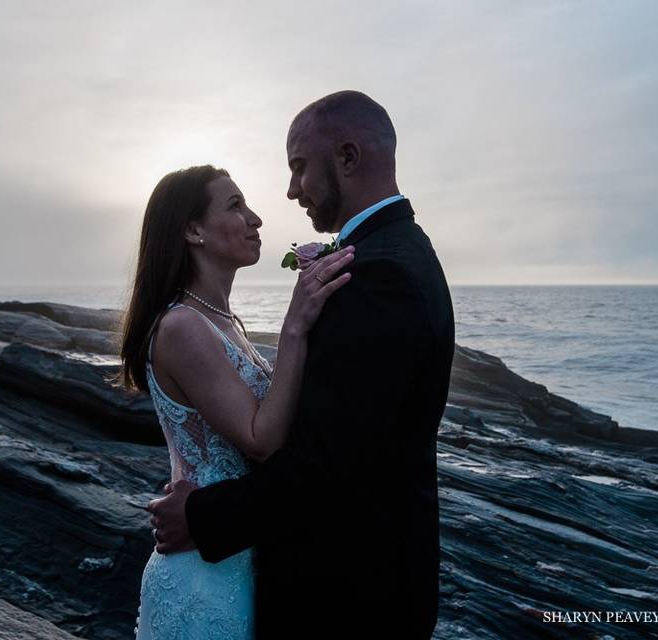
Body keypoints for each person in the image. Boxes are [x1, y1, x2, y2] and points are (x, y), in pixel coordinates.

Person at [148, 91, 455, 638]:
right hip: (343, 583)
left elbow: (327, 463)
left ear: (348, 157)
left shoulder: (379, 276)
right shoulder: (391, 255)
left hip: (350, 597)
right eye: (236, 205)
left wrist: (202, 517)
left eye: (298, 168)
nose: (289, 192)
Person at [118, 164, 355, 639]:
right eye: (235, 206)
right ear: (192, 230)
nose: (256, 218)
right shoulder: (182, 326)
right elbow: (260, 439)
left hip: (239, 551)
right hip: (203, 578)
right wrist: (294, 326)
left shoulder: (227, 324)